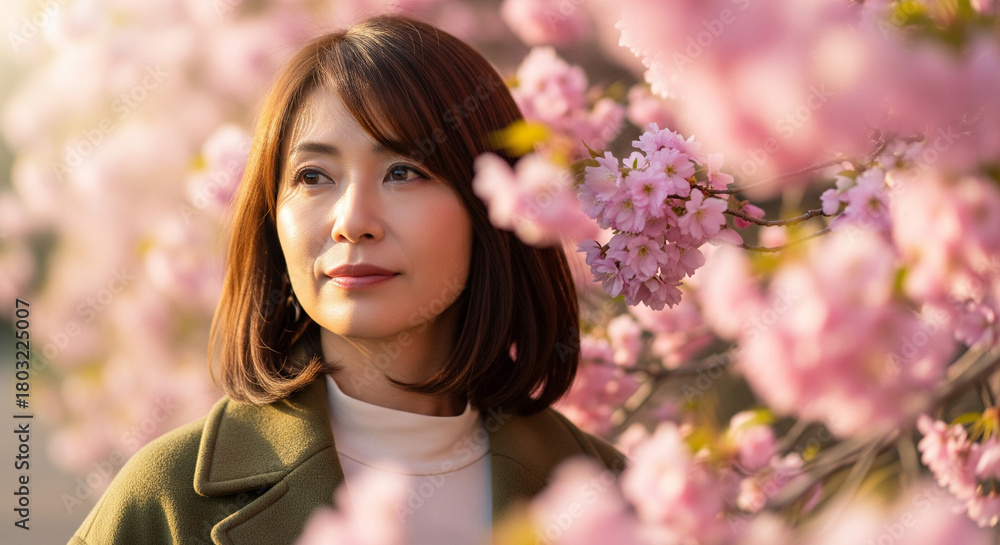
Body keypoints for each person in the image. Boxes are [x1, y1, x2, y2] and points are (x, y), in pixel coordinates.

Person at [69, 14, 625, 545]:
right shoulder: (164, 501)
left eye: (403, 172)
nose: (352, 221)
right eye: (314, 176)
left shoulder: (615, 500)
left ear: (493, 203)